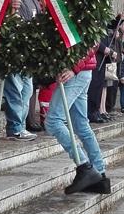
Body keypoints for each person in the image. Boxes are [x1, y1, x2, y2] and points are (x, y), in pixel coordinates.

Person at [43, 48, 110, 195]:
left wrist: (74, 68)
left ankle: (85, 167)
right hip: (82, 71)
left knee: (53, 121)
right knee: (81, 125)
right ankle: (100, 176)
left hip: (76, 72)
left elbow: (91, 41)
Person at [2, 0, 40, 140]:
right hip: (14, 53)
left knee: (27, 90)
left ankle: (21, 126)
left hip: (29, 55)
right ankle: (15, 127)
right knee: (15, 90)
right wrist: (10, 9)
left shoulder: (33, 1)